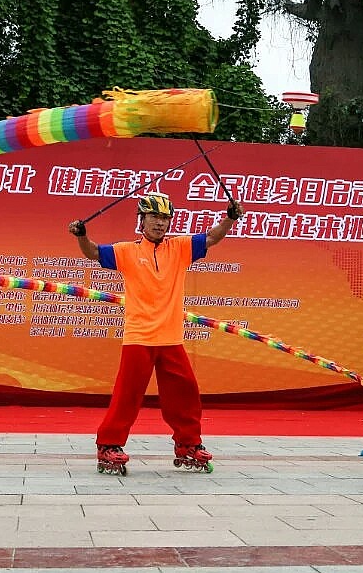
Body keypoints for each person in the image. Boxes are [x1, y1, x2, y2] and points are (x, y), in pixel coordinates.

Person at [68, 191, 244, 475]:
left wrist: (230, 219)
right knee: (128, 395)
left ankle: (188, 444)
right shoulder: (127, 251)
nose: (160, 223)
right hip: (139, 337)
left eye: (165, 218)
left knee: (186, 393)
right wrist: (81, 235)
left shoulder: (180, 248)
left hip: (171, 338)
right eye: (154, 217)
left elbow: (212, 237)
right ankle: (109, 445)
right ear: (142, 219)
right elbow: (93, 252)